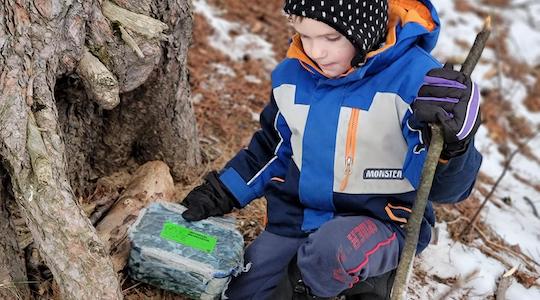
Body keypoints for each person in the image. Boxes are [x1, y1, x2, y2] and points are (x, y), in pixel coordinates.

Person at [181, 0, 482, 299]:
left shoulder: (416, 82)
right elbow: (273, 149)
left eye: (331, 38)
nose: (316, 51)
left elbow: (443, 190)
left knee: (330, 255)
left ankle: (356, 285)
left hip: (382, 220)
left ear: (366, 31)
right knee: (243, 291)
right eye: (306, 36)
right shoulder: (293, 76)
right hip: (300, 218)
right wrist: (222, 191)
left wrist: (454, 148)